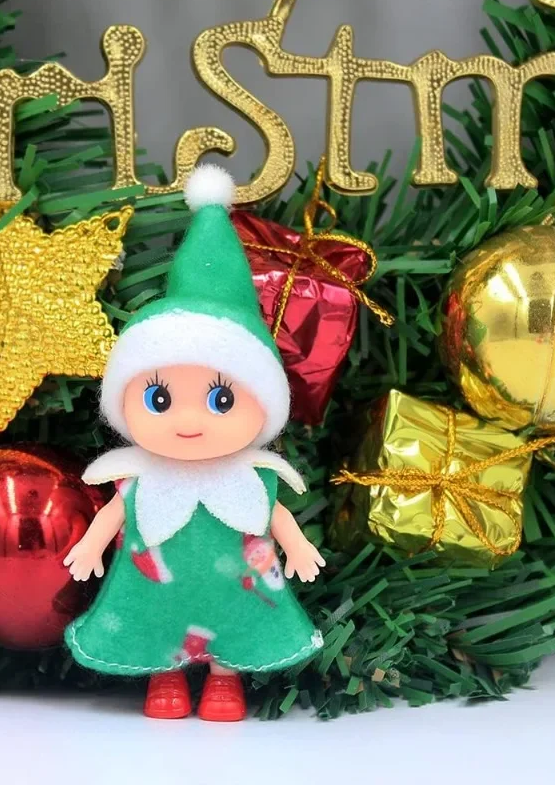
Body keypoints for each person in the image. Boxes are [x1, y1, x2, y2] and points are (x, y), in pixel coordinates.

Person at [63, 164, 325, 721]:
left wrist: (298, 547)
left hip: (237, 586)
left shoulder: (253, 480)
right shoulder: (140, 478)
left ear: (263, 406)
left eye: (221, 400)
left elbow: (275, 517)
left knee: (237, 616)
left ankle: (225, 682)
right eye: (159, 399)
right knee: (154, 620)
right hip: (154, 588)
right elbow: (115, 513)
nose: (188, 421)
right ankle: (165, 678)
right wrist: (90, 546)